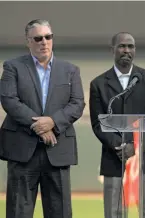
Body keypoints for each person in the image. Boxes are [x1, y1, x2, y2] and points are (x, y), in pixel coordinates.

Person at [0, 19, 85, 218]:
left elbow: (77, 103)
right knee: (18, 211)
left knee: (60, 212)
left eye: (48, 37)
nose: (43, 42)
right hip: (22, 151)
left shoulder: (70, 70)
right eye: (38, 38)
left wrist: (53, 122)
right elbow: (9, 100)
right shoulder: (13, 67)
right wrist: (40, 125)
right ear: (28, 41)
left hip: (58, 150)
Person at [89, 32, 145, 218]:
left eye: (131, 47)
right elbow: (99, 124)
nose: (126, 50)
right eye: (122, 46)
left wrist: (135, 147)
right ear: (112, 50)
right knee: (115, 213)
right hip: (115, 160)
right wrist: (121, 146)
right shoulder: (98, 84)